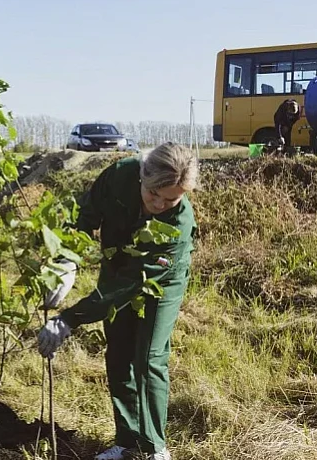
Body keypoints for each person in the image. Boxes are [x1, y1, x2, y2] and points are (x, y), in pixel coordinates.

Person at [37, 142, 199, 460]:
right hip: (117, 264)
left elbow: (128, 286)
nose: (159, 204)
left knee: (149, 357)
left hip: (161, 281)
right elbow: (88, 212)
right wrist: (66, 259)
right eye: (154, 194)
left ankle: (154, 448)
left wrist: (69, 318)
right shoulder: (119, 176)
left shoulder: (178, 224)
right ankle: (127, 442)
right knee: (119, 352)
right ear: (142, 175)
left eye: (172, 198)